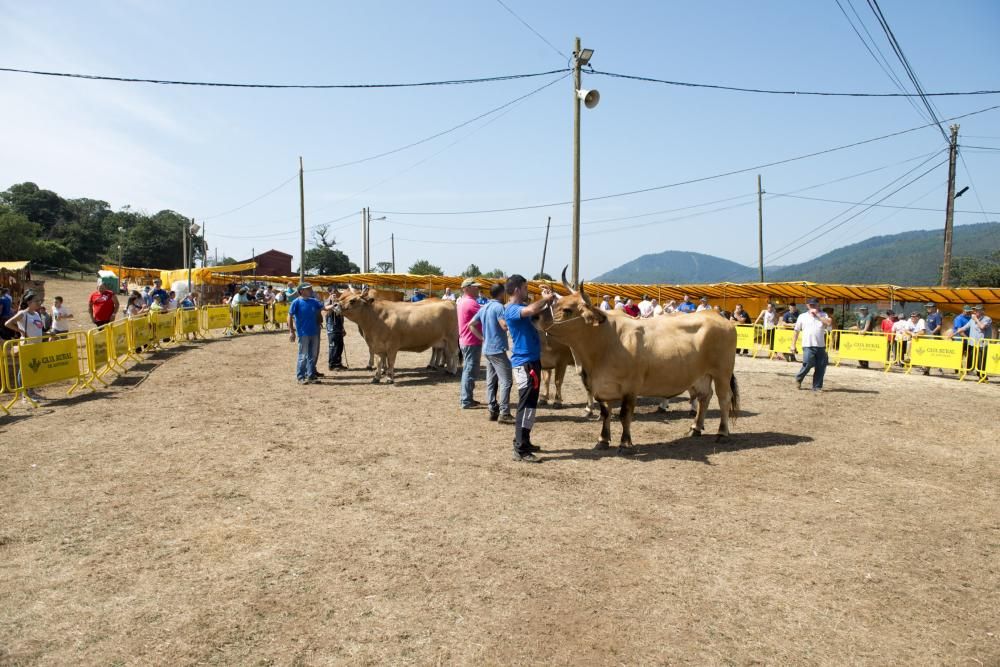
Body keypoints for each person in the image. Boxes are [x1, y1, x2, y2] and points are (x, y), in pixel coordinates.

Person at [504, 275, 555, 463]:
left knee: (531, 406)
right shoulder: (512, 310)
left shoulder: (523, 309)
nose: (527, 291)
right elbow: (533, 308)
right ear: (517, 289)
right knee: (525, 406)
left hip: (532, 361)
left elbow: (540, 312)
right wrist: (544, 299)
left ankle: (524, 440)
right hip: (524, 363)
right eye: (525, 288)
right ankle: (520, 449)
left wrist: (547, 298)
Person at [467, 283, 513, 423]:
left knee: (491, 381)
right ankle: (504, 413)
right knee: (506, 381)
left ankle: (492, 409)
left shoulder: (485, 306)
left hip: (487, 349)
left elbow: (471, 325)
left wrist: (482, 338)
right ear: (502, 293)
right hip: (497, 349)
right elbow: (504, 326)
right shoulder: (499, 307)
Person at [288, 283, 330, 384]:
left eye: (310, 288)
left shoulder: (314, 301)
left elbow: (325, 307)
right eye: (308, 289)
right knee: (303, 356)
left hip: (314, 332)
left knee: (313, 355)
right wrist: (291, 331)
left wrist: (335, 303)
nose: (310, 290)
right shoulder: (296, 302)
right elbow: (289, 316)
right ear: (301, 291)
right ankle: (300, 377)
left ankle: (311, 376)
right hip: (303, 333)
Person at [790, 298, 831, 391]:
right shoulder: (802, 316)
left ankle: (817, 386)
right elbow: (796, 331)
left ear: (818, 305)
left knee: (821, 366)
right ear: (807, 305)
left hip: (820, 346)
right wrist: (793, 345)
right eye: (810, 305)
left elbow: (828, 323)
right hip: (807, 345)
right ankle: (799, 378)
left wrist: (817, 315)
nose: (812, 306)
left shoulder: (824, 315)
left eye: (814, 304)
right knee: (808, 363)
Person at [457, 277, 483, 409]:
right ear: (466, 289)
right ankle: (466, 400)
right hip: (472, 341)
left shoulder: (463, 301)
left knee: (468, 369)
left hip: (466, 340)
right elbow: (485, 314)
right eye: (475, 287)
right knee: (470, 370)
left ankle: (466, 398)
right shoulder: (471, 303)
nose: (478, 289)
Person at [954, 304, 993, 377]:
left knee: (980, 362)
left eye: (978, 310)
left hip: (982, 345)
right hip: (972, 344)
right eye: (975, 310)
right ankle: (967, 372)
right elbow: (964, 328)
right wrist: (954, 333)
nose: (975, 311)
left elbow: (982, 327)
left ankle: (982, 377)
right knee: (970, 361)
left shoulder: (987, 319)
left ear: (982, 311)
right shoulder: (972, 320)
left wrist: (976, 319)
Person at [325, 289, 346, 370]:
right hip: (332, 329)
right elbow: (327, 310)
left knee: (340, 346)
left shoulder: (338, 303)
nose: (335, 295)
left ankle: (338, 363)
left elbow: (341, 316)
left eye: (336, 293)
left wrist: (343, 328)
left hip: (339, 328)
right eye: (333, 293)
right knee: (333, 347)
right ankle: (332, 364)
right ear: (329, 293)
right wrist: (333, 303)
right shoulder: (327, 302)